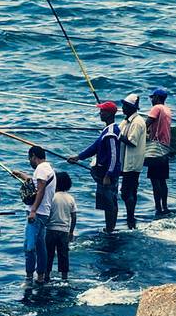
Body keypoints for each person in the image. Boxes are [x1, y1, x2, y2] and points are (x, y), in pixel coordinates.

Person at [68, 102, 122, 232]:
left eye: (102, 111)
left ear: (109, 114)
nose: (100, 113)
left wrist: (108, 175)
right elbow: (94, 147)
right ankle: (109, 228)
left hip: (107, 174)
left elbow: (114, 156)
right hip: (105, 173)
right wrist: (78, 157)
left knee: (110, 202)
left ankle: (110, 229)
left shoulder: (111, 133)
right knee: (108, 202)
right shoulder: (107, 130)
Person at [24, 147, 55, 284]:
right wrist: (21, 175)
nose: (30, 162)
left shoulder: (41, 168)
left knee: (29, 246)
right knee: (40, 246)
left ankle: (29, 277)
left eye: (29, 159)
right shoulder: (48, 168)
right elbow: (38, 184)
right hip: (44, 213)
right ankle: (41, 277)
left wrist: (33, 210)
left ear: (34, 156)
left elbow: (40, 190)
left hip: (37, 214)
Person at [118, 94, 147, 229]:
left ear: (131, 108)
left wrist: (119, 136)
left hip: (132, 162)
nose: (123, 108)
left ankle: (130, 218)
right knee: (131, 191)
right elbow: (118, 129)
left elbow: (131, 142)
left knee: (126, 191)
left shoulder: (137, 122)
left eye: (125, 106)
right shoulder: (127, 121)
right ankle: (131, 217)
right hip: (128, 161)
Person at [144, 87, 173, 215]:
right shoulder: (167, 110)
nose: (151, 100)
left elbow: (146, 124)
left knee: (154, 180)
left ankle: (158, 208)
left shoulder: (156, 108)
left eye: (152, 97)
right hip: (165, 147)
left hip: (155, 149)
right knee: (162, 180)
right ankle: (165, 206)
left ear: (157, 98)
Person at [45, 171, 77, 280]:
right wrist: (71, 232)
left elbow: (47, 213)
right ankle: (64, 277)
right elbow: (74, 217)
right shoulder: (70, 198)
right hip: (64, 231)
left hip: (50, 230)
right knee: (63, 255)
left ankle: (46, 275)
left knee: (48, 254)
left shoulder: (52, 197)